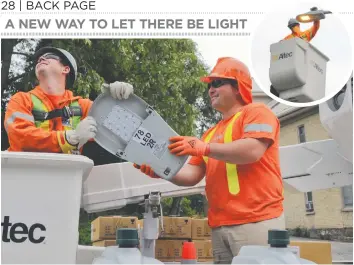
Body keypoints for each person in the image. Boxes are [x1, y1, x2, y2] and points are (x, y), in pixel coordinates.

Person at [134, 57, 285, 264]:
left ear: (238, 86)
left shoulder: (257, 112)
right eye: (209, 86)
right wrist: (161, 170)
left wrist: (203, 147)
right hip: (220, 226)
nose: (210, 90)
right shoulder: (210, 133)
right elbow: (192, 175)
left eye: (217, 83)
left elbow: (253, 150)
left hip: (255, 221)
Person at [4, 46, 134, 154]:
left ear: (65, 69)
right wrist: (70, 138)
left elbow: (124, 131)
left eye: (50, 57)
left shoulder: (83, 107)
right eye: (39, 59)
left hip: (67, 177)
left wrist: (119, 102)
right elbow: (20, 137)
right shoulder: (21, 100)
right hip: (23, 176)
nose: (41, 59)